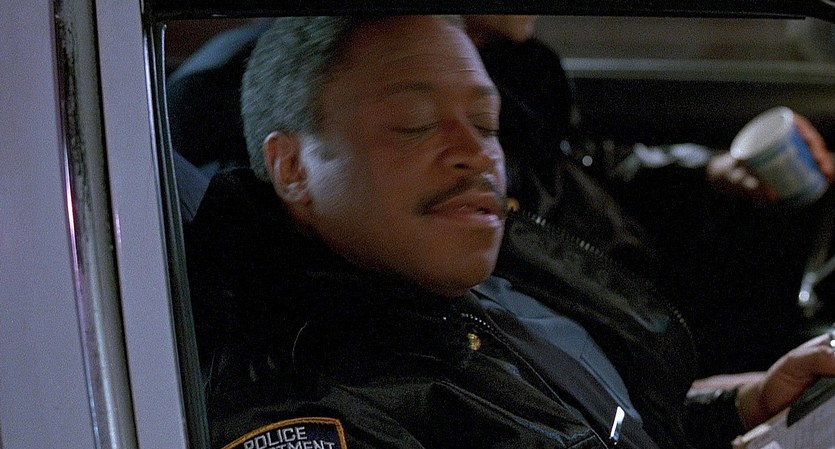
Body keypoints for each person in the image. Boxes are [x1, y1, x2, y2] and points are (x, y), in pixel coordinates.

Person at [185, 15, 835, 449]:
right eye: (415, 123)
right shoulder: (313, 410)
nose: (476, 153)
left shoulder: (483, 292)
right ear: (292, 167)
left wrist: (742, 408)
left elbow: (602, 424)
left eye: (486, 123)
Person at [462, 15, 835, 376]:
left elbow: (584, 162)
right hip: (608, 330)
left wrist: (712, 169)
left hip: (635, 298)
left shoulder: (516, 66)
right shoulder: (464, 94)